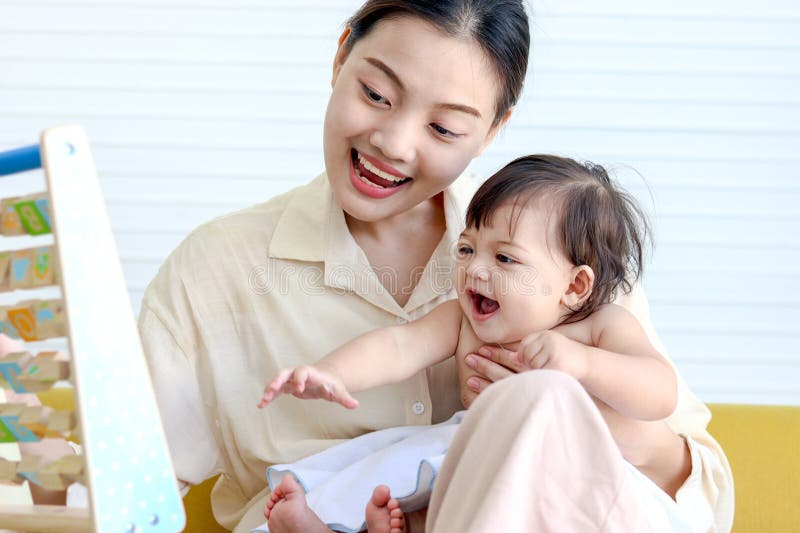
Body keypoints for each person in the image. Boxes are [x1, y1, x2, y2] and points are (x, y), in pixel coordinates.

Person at [137, 1, 733, 532]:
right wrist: (328, 374)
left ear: (494, 128)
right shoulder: (213, 270)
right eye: (376, 94)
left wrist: (567, 402)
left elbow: (701, 495)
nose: (393, 143)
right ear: (342, 55)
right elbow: (121, 489)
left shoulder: (563, 256)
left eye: (444, 127)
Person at [256, 155, 725, 533]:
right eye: (466, 249)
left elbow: (659, 391)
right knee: (424, 481)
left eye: (504, 257)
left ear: (576, 286)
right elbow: (399, 346)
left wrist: (581, 364)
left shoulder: (599, 326)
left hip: (570, 476)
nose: (476, 270)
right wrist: (331, 373)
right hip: (476, 461)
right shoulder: (464, 321)